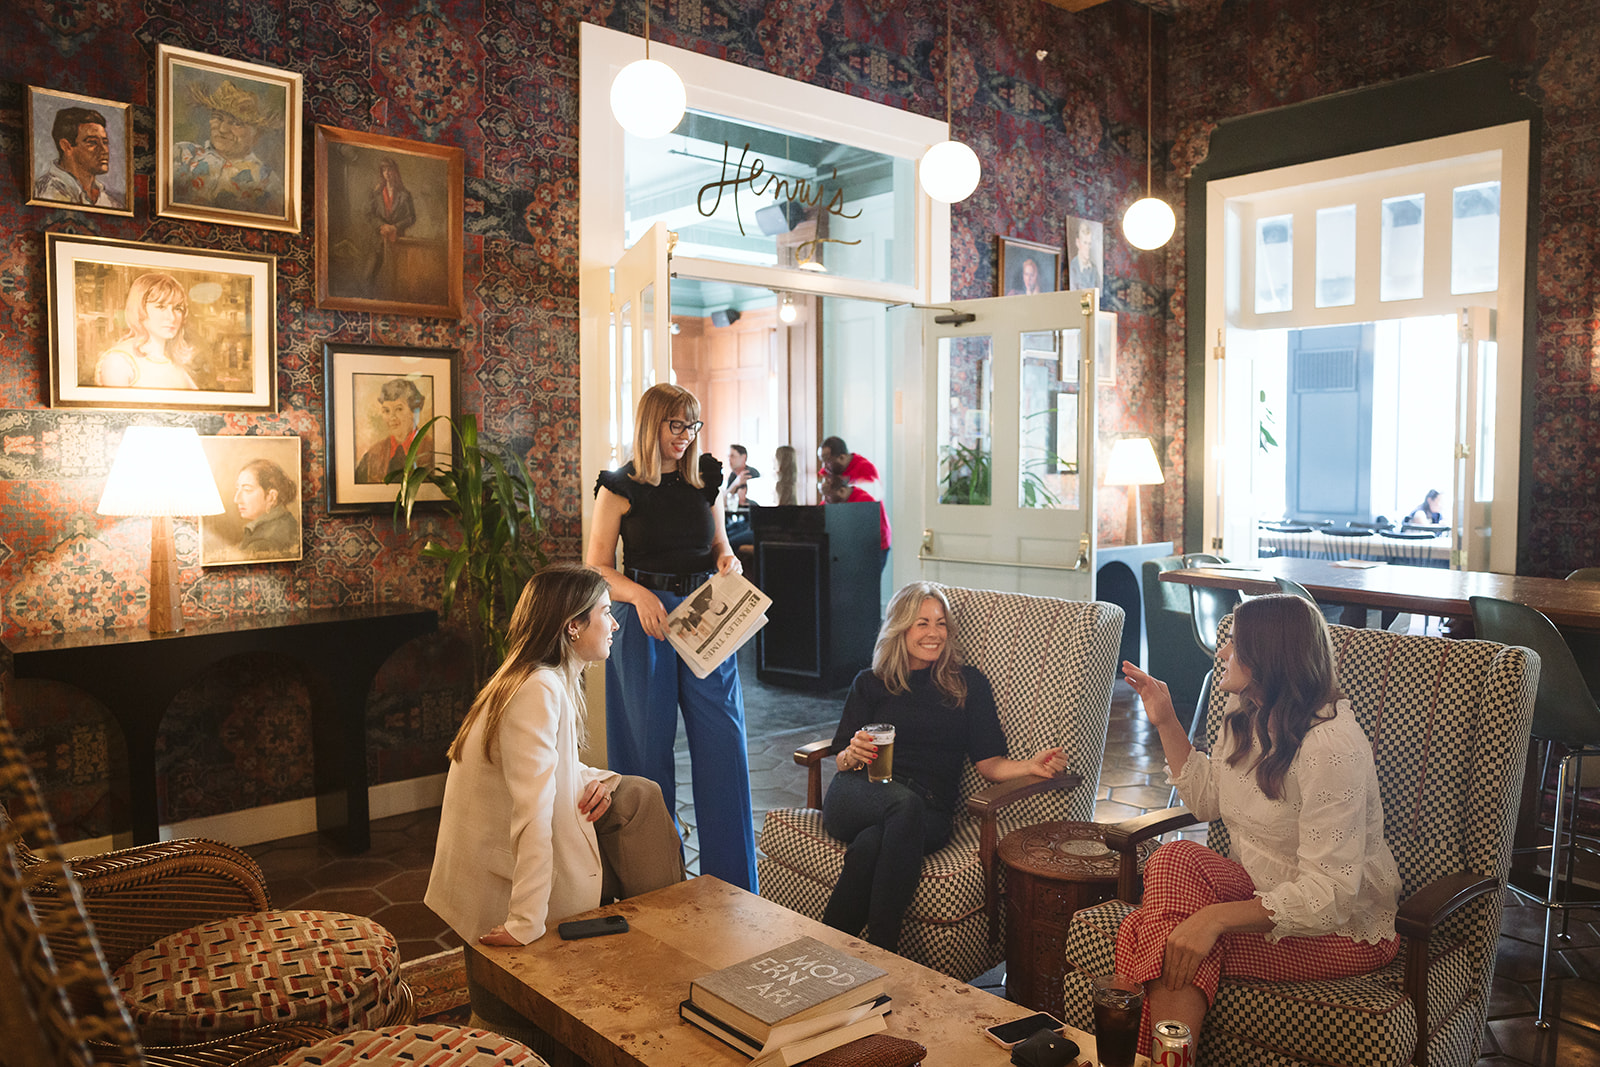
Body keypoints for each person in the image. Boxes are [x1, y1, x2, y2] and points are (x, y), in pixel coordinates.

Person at [1115, 594, 1401, 1059]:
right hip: (1259, 890)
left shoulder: (1331, 745)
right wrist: (1165, 719)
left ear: (1269, 655)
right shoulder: (1244, 716)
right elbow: (1208, 801)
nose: (1222, 651)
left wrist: (1213, 918)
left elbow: (1331, 895)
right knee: (1173, 856)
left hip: (1343, 929)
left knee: (1148, 933)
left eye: (1233, 642)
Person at [426, 563, 685, 1049]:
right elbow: (531, 815)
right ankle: (667, 953)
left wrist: (601, 781)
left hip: (498, 865)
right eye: (606, 614)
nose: (614, 624)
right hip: (507, 885)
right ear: (572, 626)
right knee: (644, 807)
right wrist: (525, 922)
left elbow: (550, 767)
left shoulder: (537, 677)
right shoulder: (539, 690)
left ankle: (661, 935)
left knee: (639, 794)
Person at [822, 582, 1070, 952]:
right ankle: (885, 954)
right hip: (859, 793)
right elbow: (842, 756)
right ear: (900, 627)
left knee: (874, 843)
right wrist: (852, 754)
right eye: (922, 623)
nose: (934, 633)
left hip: (928, 808)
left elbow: (990, 763)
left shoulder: (968, 684)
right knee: (900, 807)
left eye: (941, 623)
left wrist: (1029, 767)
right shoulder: (872, 682)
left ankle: (825, 953)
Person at [585, 383, 758, 891]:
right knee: (644, 755)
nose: (686, 436)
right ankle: (653, 885)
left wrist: (728, 564)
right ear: (650, 425)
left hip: (706, 613)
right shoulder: (618, 487)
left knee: (724, 747)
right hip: (644, 622)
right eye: (676, 425)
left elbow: (719, 547)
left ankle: (733, 887)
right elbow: (596, 568)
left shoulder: (705, 479)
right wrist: (639, 596)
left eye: (693, 425)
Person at [171, 80, 284, 215]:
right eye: (218, 118)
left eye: (236, 123)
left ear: (256, 134)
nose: (223, 129)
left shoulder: (267, 180)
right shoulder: (183, 154)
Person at [93, 273, 199, 390]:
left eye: (177, 308)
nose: (172, 317)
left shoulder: (175, 365)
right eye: (161, 307)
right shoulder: (118, 362)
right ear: (139, 310)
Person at [33, 106, 122, 209]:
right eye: (92, 142)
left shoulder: (110, 203)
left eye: (105, 142)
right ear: (66, 146)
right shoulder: (45, 193)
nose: (104, 150)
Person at [354, 378, 429, 484]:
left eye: (399, 409)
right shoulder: (373, 454)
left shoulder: (430, 449)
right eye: (386, 411)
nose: (391, 417)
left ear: (414, 411)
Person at [365, 157, 417, 299]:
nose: (387, 173)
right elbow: (369, 215)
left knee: (396, 277)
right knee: (369, 275)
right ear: (381, 173)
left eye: (390, 169)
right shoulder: (376, 194)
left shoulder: (405, 195)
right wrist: (382, 226)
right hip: (378, 240)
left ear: (395, 172)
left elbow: (411, 218)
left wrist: (394, 227)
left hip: (397, 241)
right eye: (384, 170)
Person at [821, 474, 891, 576]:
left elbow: (863, 536)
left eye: (828, 496)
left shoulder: (864, 502)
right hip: (855, 547)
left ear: (842, 491)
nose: (826, 499)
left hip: (876, 547)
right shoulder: (836, 498)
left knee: (864, 583)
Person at [233, 458, 300, 558]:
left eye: (247, 490)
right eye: (238, 489)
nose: (236, 499)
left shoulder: (264, 543)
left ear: (271, 497)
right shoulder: (287, 520)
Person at [817, 435, 882, 500]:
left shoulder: (866, 470)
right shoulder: (830, 469)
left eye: (828, 461)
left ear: (842, 458)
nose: (824, 467)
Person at [1068, 218, 1102, 291]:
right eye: (1085, 243)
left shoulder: (1094, 269)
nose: (1087, 248)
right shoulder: (1073, 266)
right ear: (1078, 242)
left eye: (1089, 244)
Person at [724, 444, 760, 509]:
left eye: (732, 456)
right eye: (728, 456)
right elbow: (724, 500)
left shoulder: (751, 473)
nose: (729, 459)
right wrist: (735, 483)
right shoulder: (732, 475)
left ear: (743, 457)